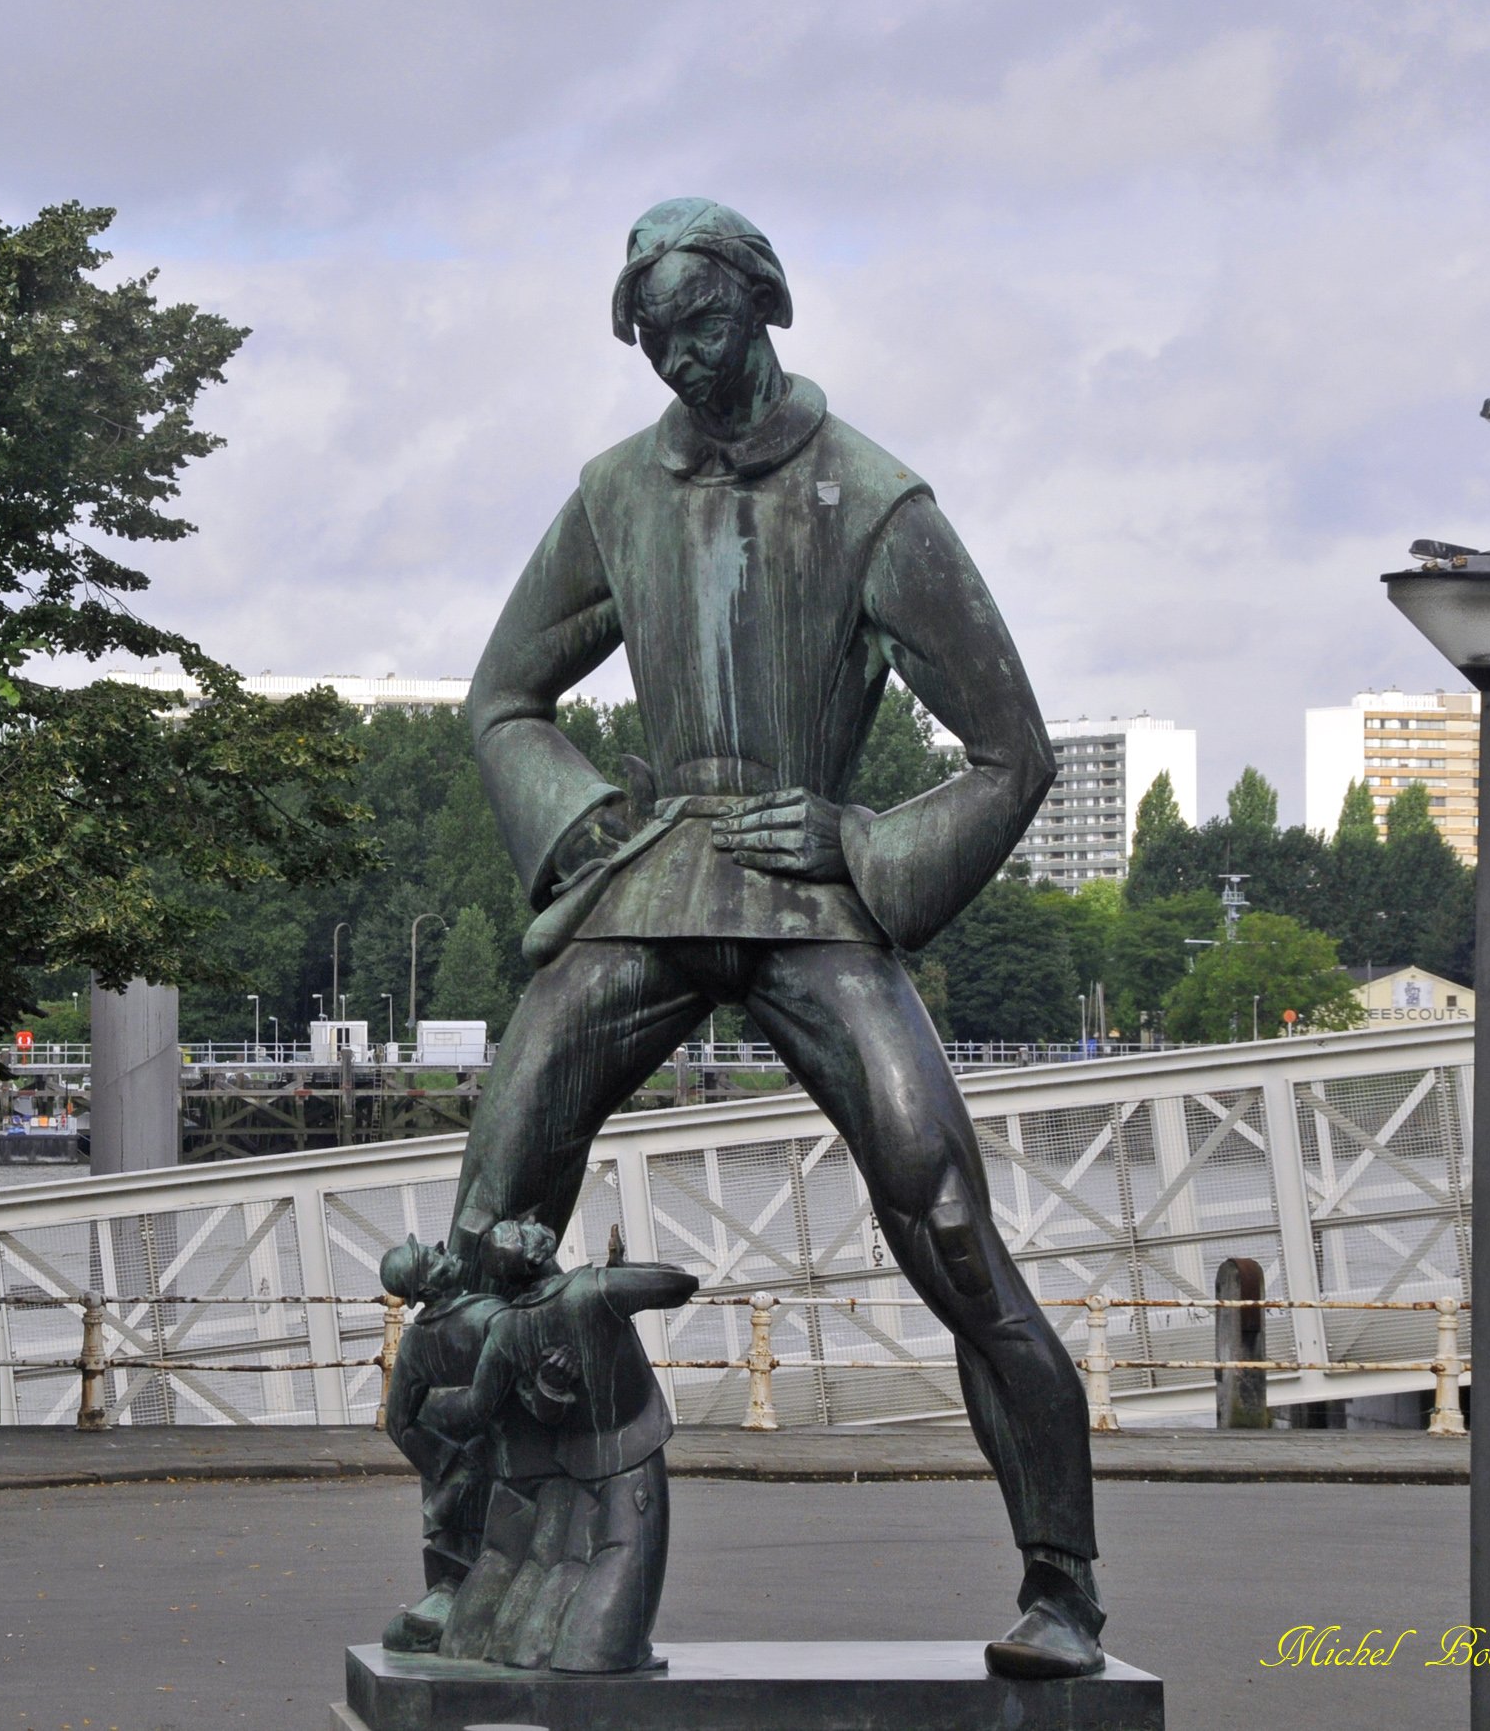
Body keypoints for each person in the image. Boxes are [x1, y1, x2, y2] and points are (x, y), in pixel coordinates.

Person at [449, 197, 1103, 1680]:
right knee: (490, 1207)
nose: (684, 360)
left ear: (768, 306)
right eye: (658, 339)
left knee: (945, 1223)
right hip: (658, 886)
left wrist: (864, 846)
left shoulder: (872, 500)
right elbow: (502, 699)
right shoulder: (616, 494)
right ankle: (463, 1570)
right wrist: (585, 824)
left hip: (811, 907)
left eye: (707, 326)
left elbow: (1013, 751)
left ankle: (1063, 1584)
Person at [418, 1219, 696, 1673]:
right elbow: (680, 1283)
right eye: (523, 1227)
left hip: (571, 1464)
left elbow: (530, 1410)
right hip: (632, 1452)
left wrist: (547, 1388)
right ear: (535, 1253)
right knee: (624, 1575)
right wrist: (622, 1271)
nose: (531, 1221)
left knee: (565, 1569)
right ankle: (603, 1653)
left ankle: (537, 1650)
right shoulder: (592, 1289)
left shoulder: (507, 1327)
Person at [376, 1236, 501, 1652]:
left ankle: (450, 1612)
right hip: (499, 1458)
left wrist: (446, 1462)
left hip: (450, 1472)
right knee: (499, 1552)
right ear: (426, 1287)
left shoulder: (414, 1341)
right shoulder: (489, 1315)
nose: (441, 1245)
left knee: (461, 1554)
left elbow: (398, 1421)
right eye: (431, 1255)